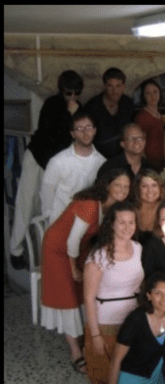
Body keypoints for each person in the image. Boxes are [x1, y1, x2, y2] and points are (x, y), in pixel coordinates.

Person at [52, 272, 165, 384]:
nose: (164, 298)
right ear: (149, 296)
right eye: (158, 293)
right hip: (133, 381)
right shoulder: (136, 321)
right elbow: (116, 361)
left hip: (155, 380)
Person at [40, 168, 131, 375]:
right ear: (107, 185)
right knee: (69, 300)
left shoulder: (113, 208)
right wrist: (74, 268)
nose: (123, 190)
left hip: (76, 250)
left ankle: (82, 339)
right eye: (118, 185)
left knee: (82, 294)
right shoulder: (91, 205)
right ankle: (75, 352)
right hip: (58, 249)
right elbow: (71, 240)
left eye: (126, 186)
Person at [9, 69, 84, 270]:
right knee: (26, 201)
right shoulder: (52, 104)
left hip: (56, 163)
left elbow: (75, 138)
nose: (73, 97)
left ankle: (47, 253)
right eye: (69, 93)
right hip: (38, 157)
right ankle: (15, 250)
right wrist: (69, 113)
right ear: (62, 90)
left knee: (49, 208)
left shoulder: (79, 108)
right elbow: (50, 134)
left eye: (77, 93)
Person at [83, 201, 145, 384]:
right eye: (122, 222)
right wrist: (95, 335)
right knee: (106, 379)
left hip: (132, 319)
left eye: (131, 222)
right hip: (106, 323)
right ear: (111, 224)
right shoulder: (98, 257)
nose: (127, 227)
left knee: (131, 376)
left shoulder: (138, 248)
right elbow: (88, 298)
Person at [40, 111, 106, 226]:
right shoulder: (58, 161)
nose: (86, 132)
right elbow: (46, 192)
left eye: (89, 127)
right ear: (72, 134)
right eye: (79, 129)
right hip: (61, 221)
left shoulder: (102, 162)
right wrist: (50, 219)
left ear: (95, 130)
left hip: (88, 223)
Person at [84, 67, 135, 159]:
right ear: (105, 86)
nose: (114, 91)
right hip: (98, 159)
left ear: (124, 87)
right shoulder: (92, 107)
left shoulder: (128, 103)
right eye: (110, 86)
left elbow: (132, 130)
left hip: (124, 158)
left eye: (118, 86)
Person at [134, 78, 165, 171]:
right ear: (143, 96)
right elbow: (139, 144)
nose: (153, 96)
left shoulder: (159, 114)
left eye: (155, 92)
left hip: (161, 162)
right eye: (148, 93)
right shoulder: (142, 117)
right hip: (150, 164)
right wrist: (146, 165)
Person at [131, 168, 165, 245]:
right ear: (138, 188)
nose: (150, 190)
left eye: (154, 185)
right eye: (144, 186)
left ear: (160, 187)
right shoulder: (130, 209)